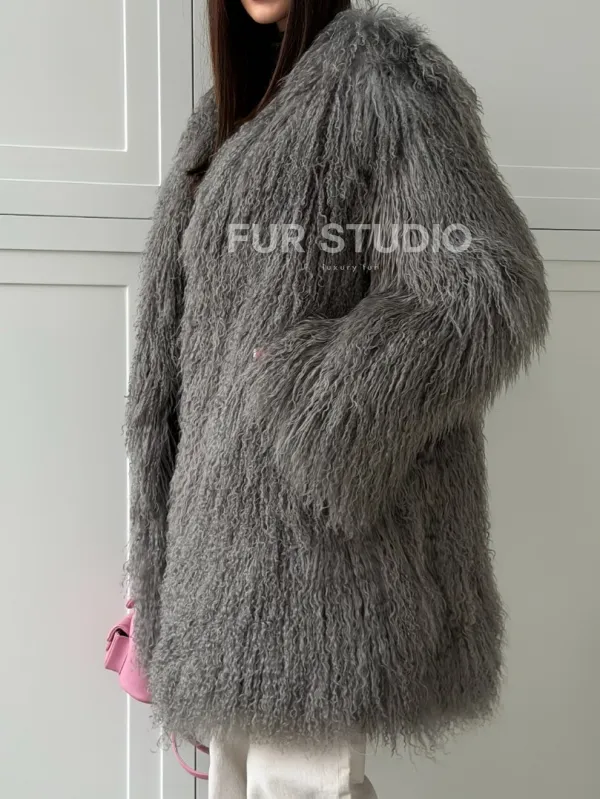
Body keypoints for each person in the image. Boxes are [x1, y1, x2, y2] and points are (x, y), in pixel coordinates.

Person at [124, 0, 550, 796]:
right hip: (219, 558)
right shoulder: (226, 113)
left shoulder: (381, 79)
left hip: (316, 557)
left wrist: (317, 408)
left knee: (304, 786)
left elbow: (486, 286)